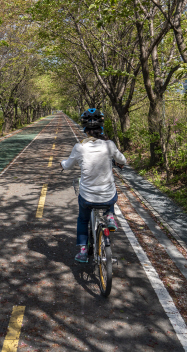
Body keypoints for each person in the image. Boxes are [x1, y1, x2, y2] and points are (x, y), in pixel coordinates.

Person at [60, 109, 127, 263]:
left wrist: (62, 165)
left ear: (85, 129)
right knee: (111, 194)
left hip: (87, 196)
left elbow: (68, 165)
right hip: (107, 196)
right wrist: (118, 162)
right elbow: (122, 160)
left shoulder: (79, 147)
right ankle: (110, 216)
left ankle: (83, 251)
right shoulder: (109, 145)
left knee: (83, 219)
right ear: (101, 127)